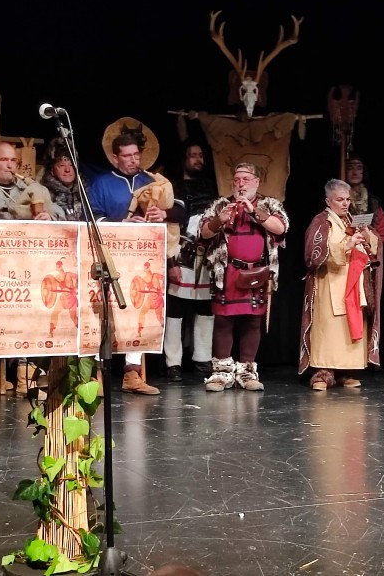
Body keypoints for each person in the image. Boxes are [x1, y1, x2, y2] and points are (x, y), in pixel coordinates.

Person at [0, 142, 58, 402]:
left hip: (24, 266)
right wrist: (22, 223)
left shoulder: (29, 187)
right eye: (4, 160)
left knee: (26, 322)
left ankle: (25, 381)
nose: (10, 165)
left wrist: (47, 218)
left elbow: (56, 211)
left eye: (13, 161)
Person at [86, 129, 168, 395]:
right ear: (115, 157)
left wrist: (161, 213)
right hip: (109, 256)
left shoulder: (150, 180)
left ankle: (132, 375)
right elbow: (92, 217)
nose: (133, 160)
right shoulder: (101, 183)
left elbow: (179, 206)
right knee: (105, 313)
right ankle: (97, 375)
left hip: (142, 258)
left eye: (136, 154)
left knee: (139, 311)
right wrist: (120, 224)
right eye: (127, 156)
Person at [198, 162, 289, 392]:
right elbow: (204, 231)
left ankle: (247, 372)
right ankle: (221, 373)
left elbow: (281, 227)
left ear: (256, 182)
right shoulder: (220, 204)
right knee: (223, 321)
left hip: (257, 273)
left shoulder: (269, 204)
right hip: (227, 271)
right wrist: (220, 219)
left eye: (246, 179)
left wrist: (254, 212)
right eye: (237, 180)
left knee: (252, 321)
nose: (241, 184)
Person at [300, 179, 378, 390]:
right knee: (330, 328)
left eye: (347, 199)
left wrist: (366, 236)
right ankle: (322, 373)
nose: (345, 204)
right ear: (328, 201)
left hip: (352, 282)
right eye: (339, 200)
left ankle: (346, 371)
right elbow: (314, 254)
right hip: (329, 282)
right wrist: (346, 245)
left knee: (348, 328)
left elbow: (373, 246)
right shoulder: (322, 221)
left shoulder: (352, 220)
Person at [163, 141, 219, 381]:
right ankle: (172, 363)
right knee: (175, 311)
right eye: (193, 156)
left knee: (206, 310)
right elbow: (170, 227)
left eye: (200, 156)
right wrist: (171, 262)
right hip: (181, 252)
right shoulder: (173, 187)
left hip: (207, 256)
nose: (198, 160)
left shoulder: (211, 186)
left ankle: (202, 358)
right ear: (184, 158)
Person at [344, 155, 384, 366]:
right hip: (344, 256)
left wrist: (369, 235)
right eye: (350, 168)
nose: (354, 172)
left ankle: (367, 355)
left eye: (358, 168)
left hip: (368, 259)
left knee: (368, 305)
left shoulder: (373, 201)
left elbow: (382, 232)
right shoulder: (335, 198)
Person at [40, 138, 85, 221]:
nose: (67, 170)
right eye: (61, 165)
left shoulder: (86, 192)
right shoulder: (43, 193)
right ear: (52, 170)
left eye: (71, 165)